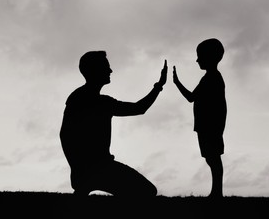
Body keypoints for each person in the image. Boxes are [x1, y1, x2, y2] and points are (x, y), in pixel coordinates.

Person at [60, 51, 167, 197]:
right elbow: (66, 135)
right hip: (99, 169)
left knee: (145, 191)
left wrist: (77, 168)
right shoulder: (86, 100)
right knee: (147, 191)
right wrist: (158, 87)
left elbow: (139, 108)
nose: (110, 70)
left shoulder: (94, 100)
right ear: (94, 70)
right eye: (106, 67)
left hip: (97, 167)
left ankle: (84, 187)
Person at [173, 38, 227, 198]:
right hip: (206, 125)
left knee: (213, 158)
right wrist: (177, 82)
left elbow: (193, 98)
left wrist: (176, 83)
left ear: (209, 57)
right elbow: (192, 97)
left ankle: (217, 192)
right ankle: (216, 191)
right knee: (211, 158)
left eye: (200, 56)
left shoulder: (213, 78)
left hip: (210, 125)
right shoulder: (209, 77)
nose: (197, 60)